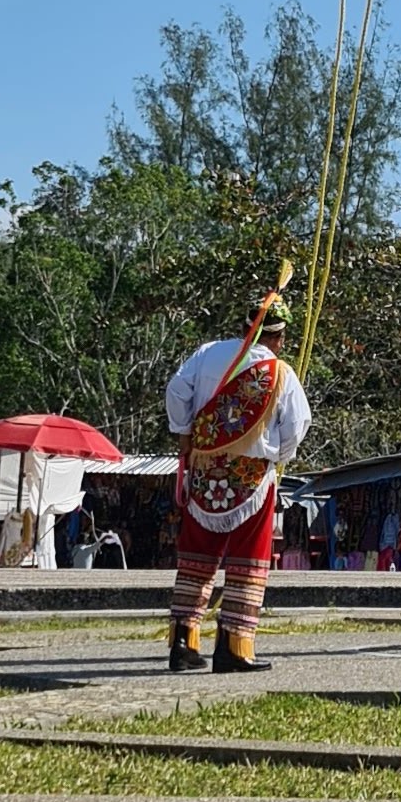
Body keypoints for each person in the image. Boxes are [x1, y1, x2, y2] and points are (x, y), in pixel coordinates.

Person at [164, 281, 313, 673]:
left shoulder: (208, 354)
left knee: (196, 558)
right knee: (248, 561)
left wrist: (184, 433)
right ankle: (233, 645)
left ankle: (183, 641)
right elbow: (297, 424)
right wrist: (278, 457)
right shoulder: (278, 372)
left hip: (204, 472)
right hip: (251, 478)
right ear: (278, 336)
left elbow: (176, 390)